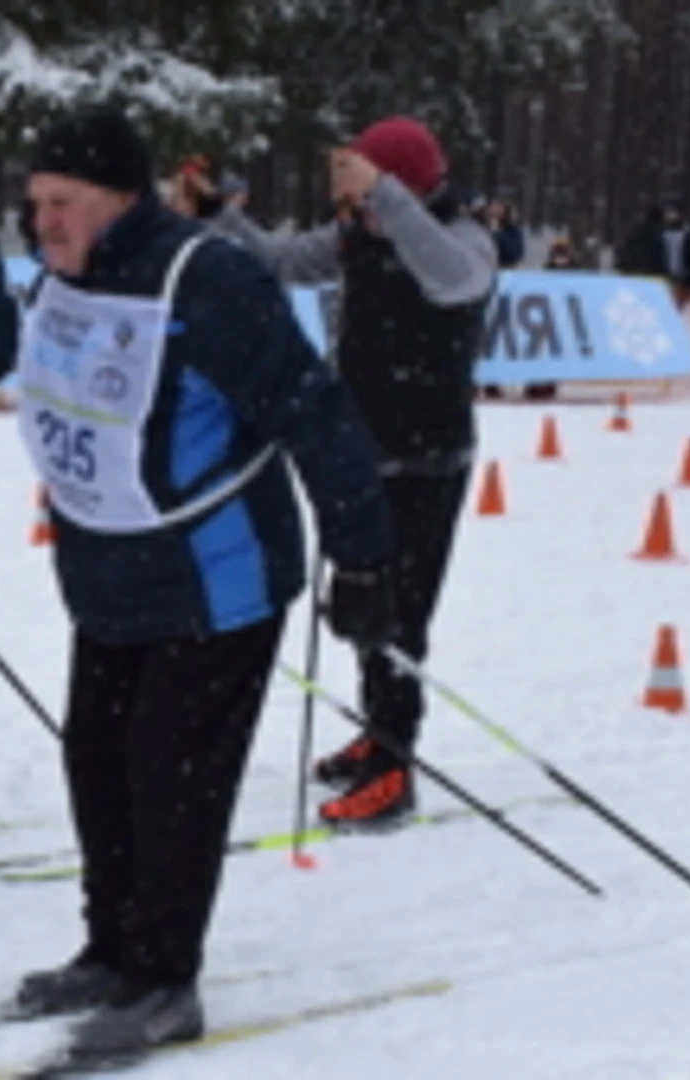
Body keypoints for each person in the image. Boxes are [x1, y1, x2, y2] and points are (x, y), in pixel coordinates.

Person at [6, 105, 395, 1061]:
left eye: (63, 202)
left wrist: (365, 556)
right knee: (97, 765)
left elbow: (315, 411)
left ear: (122, 197)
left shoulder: (206, 278)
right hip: (108, 577)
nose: (43, 221)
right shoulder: (65, 277)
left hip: (216, 580)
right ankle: (111, 952)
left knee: (170, 778)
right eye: (35, 203)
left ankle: (164, 981)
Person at [176, 115, 495, 827]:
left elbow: (452, 283)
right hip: (362, 447)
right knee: (361, 601)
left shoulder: (462, 235)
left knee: (400, 614)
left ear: (399, 186)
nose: (347, 211)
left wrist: (387, 195)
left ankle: (395, 761)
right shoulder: (359, 234)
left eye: (360, 192)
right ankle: (376, 729)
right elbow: (278, 261)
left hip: (427, 456)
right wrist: (217, 214)